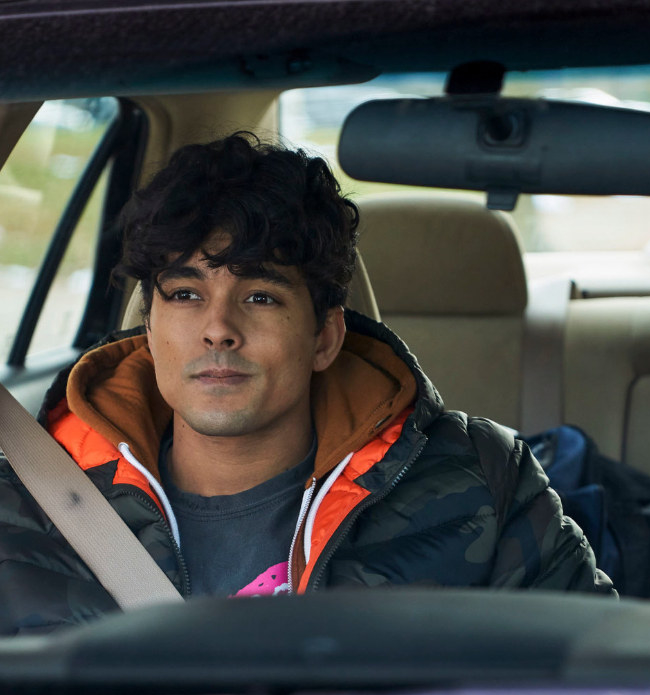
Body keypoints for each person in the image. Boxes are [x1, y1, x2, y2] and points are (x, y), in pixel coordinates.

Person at [0, 132, 611, 635]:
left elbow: (600, 689)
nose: (218, 329)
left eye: (260, 296)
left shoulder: (483, 481)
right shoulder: (27, 497)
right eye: (186, 294)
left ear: (324, 338)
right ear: (150, 330)